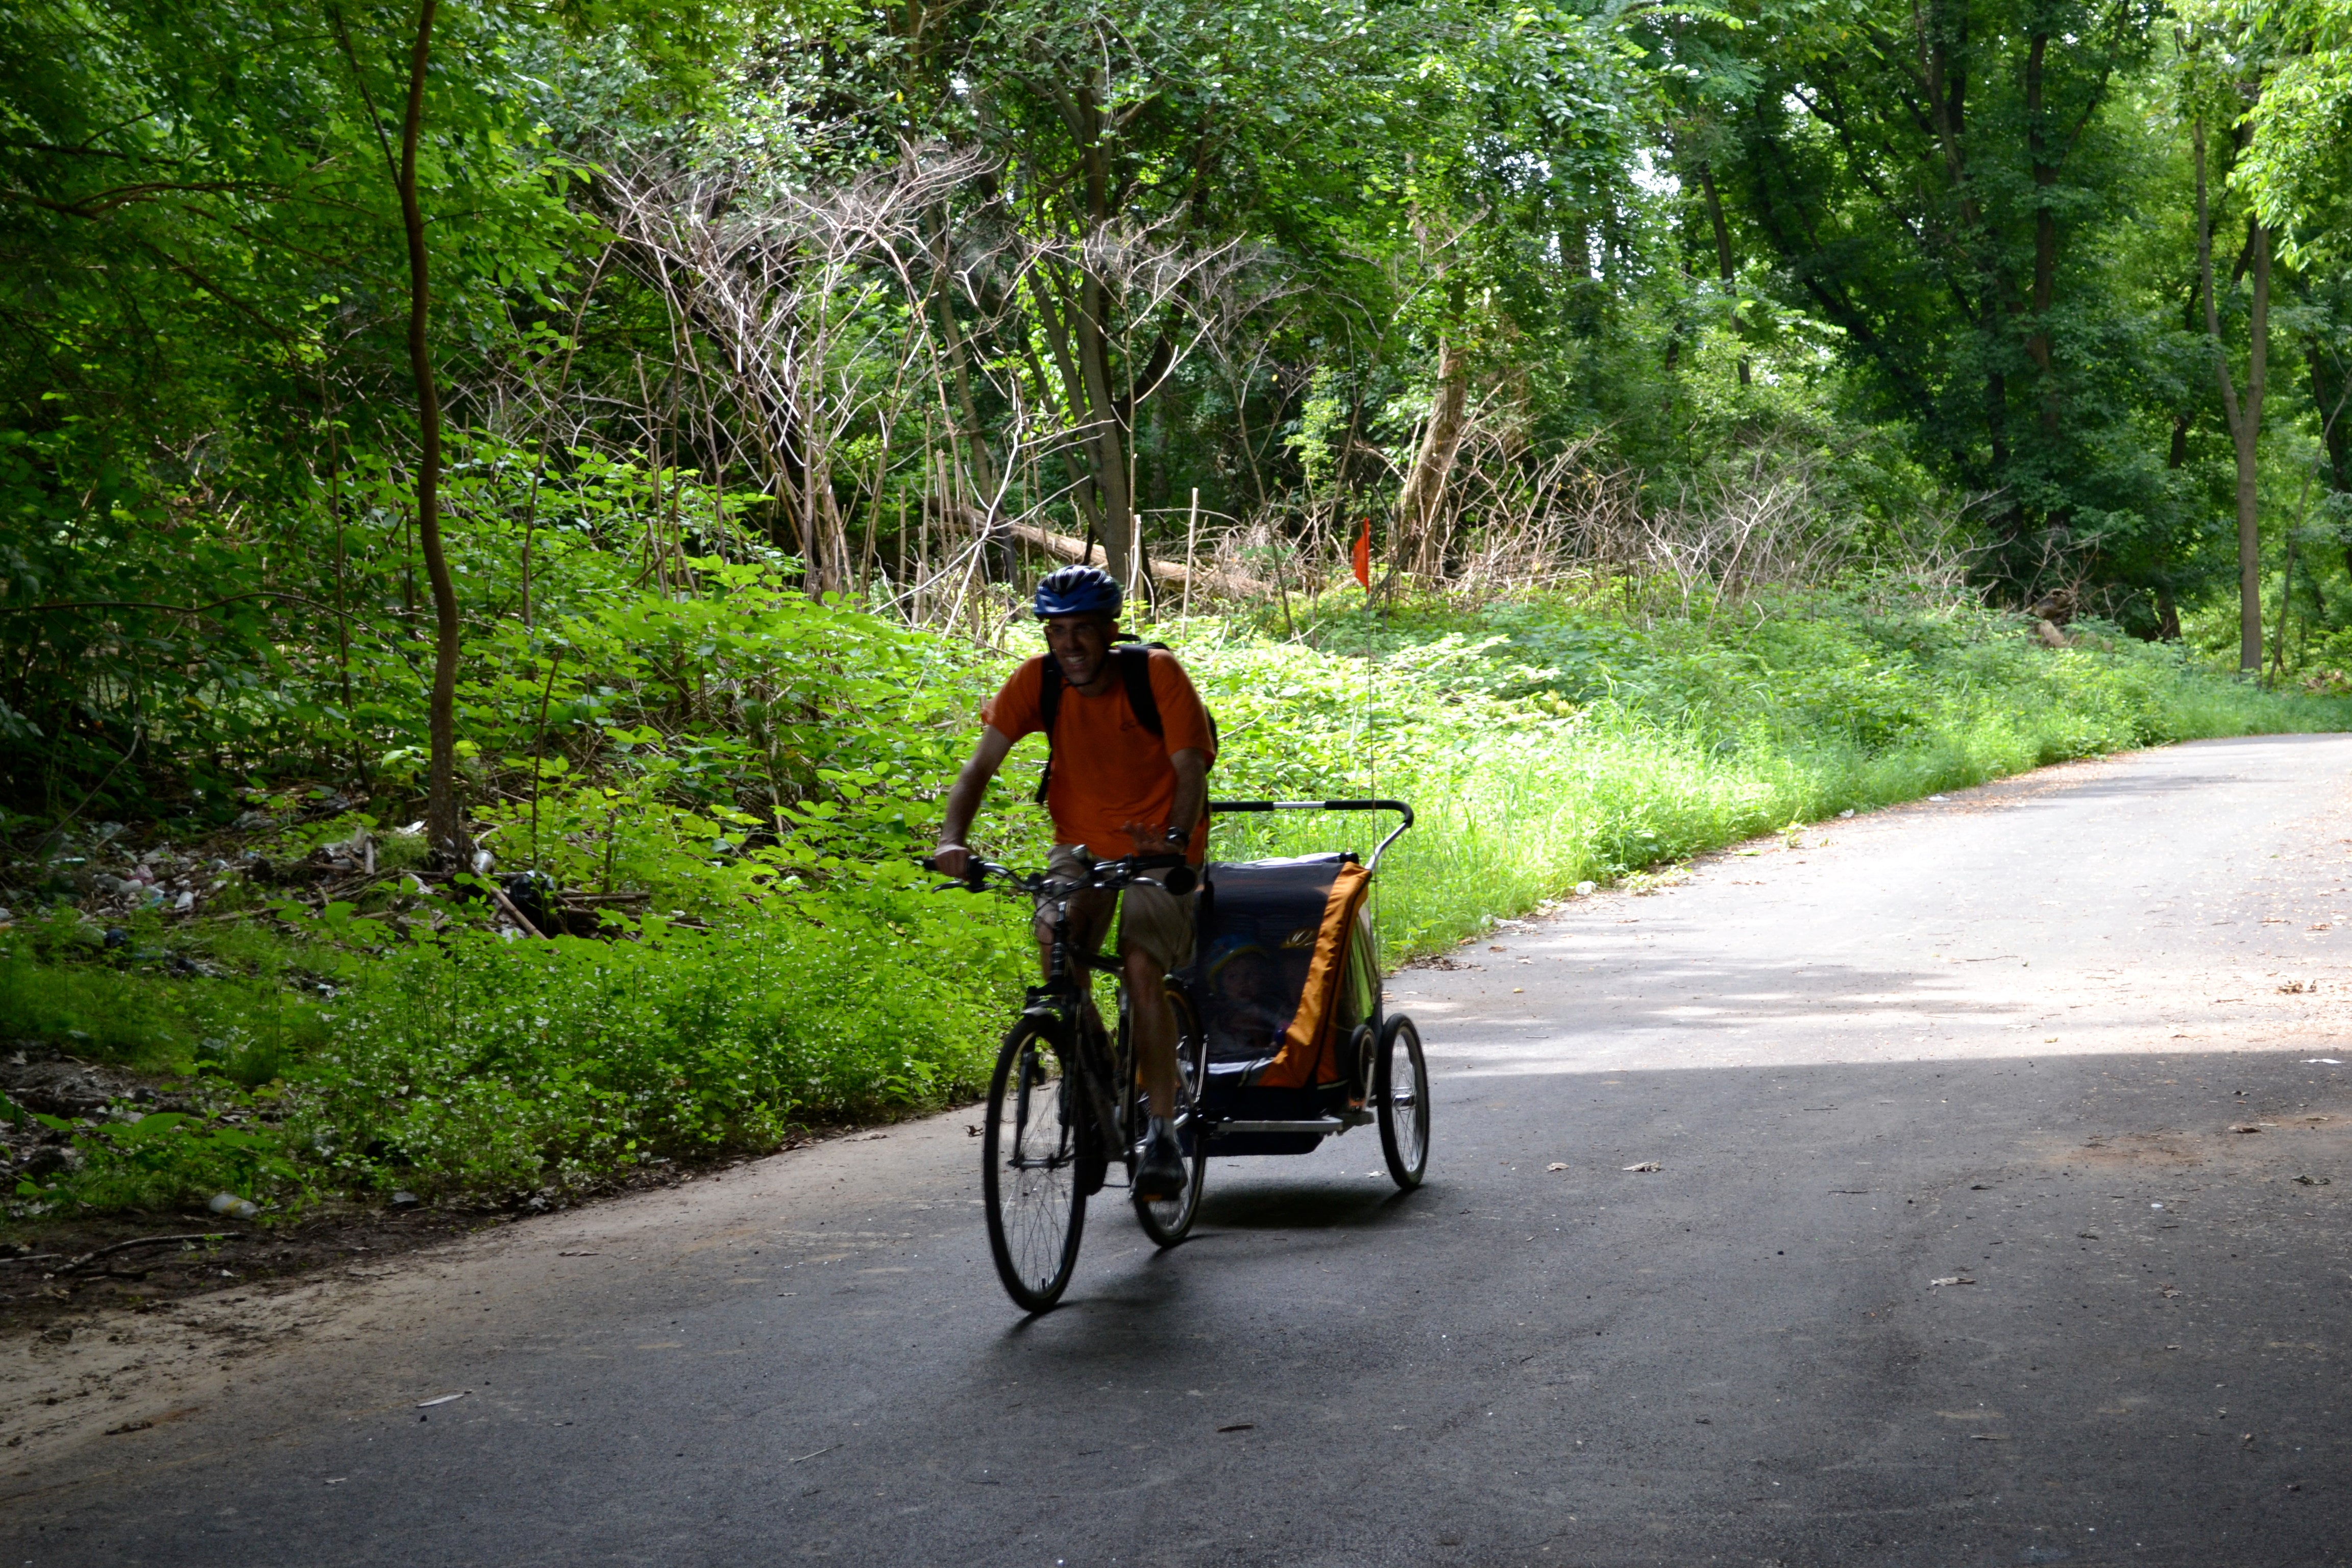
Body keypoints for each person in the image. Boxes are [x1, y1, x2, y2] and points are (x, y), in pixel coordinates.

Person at [933, 565, 1215, 1202]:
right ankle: (1093, 1086)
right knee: (1055, 939)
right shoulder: (1039, 681)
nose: (1071, 645)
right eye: (1058, 632)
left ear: (1110, 630)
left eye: (1084, 630)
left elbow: (1190, 770)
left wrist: (1171, 843)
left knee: (1143, 968)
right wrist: (953, 839)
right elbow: (978, 768)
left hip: (1160, 851)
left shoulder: (1156, 676)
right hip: (1082, 848)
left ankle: (1164, 1133)